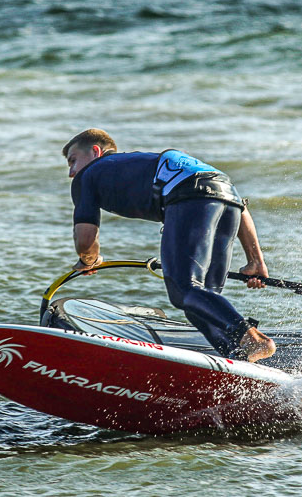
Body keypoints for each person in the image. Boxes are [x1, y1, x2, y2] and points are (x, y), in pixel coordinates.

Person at [63, 128, 276, 363]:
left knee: (184, 289)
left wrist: (88, 260)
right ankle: (241, 360)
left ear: (95, 151)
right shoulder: (140, 163)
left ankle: (253, 339)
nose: (72, 172)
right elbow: (239, 204)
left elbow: (85, 238)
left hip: (189, 196)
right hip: (227, 195)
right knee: (202, 299)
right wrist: (255, 260)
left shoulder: (89, 174)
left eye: (73, 161)